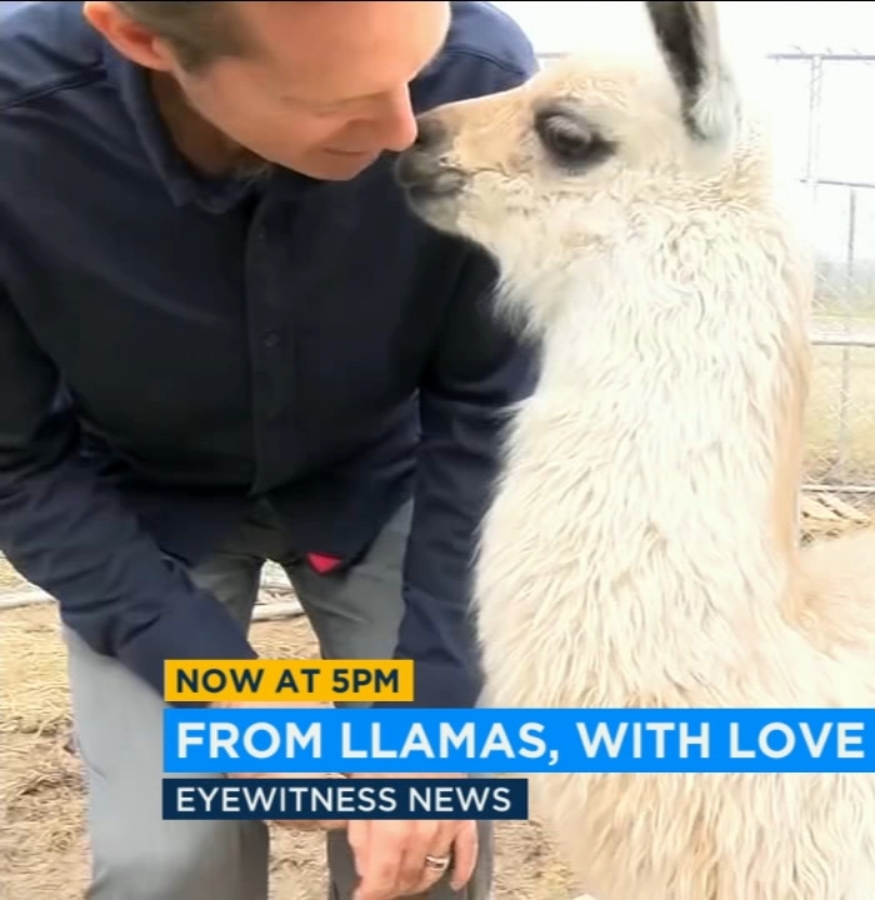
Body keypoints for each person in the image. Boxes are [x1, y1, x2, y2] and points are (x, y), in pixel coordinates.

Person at [0, 2, 541, 898]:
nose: (407, 128)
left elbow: (486, 410)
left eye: (415, 67)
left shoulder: (475, 76)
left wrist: (433, 722)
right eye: (339, 95)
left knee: (431, 841)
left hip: (381, 483)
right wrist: (234, 701)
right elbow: (17, 463)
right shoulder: (19, 134)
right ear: (142, 39)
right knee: (168, 866)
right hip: (141, 509)